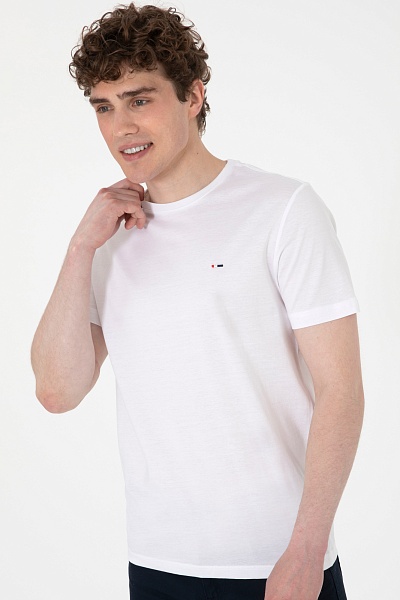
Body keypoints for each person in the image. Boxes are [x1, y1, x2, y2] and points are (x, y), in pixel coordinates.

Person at [31, 3, 364, 599]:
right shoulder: (110, 234)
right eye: (103, 107)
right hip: (157, 562)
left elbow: (342, 390)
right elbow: (58, 391)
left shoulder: (283, 209)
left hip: (278, 562)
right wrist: (81, 247)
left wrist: (307, 550)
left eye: (139, 100)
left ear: (193, 95)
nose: (121, 128)